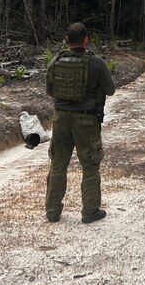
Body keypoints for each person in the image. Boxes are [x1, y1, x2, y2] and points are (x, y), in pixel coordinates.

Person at [45, 22, 116, 224]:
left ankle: (52, 211)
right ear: (86, 40)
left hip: (61, 119)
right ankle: (90, 210)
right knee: (90, 165)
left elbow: (50, 90)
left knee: (58, 164)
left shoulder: (56, 61)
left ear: (67, 40)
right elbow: (110, 90)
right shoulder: (96, 62)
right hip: (86, 120)